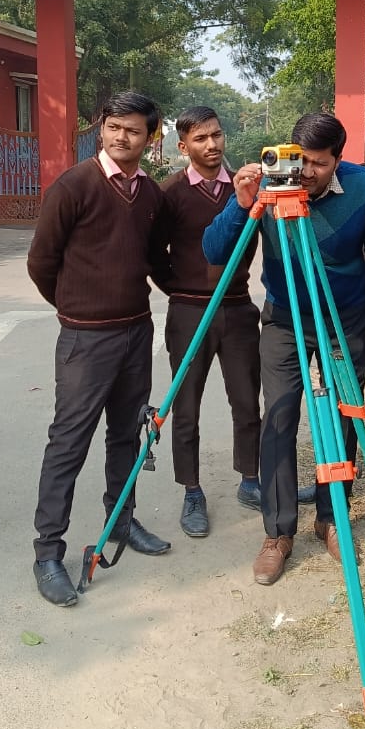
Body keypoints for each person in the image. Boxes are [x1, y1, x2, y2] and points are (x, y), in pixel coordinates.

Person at [203, 112, 365, 586]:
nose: (305, 173)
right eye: (299, 160)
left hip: (343, 318)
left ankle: (332, 517)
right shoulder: (269, 186)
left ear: (339, 160)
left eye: (318, 164)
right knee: (280, 416)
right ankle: (277, 532)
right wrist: (240, 203)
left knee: (343, 418)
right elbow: (214, 250)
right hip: (285, 318)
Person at [27, 91, 172, 607]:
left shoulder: (150, 195)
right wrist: (75, 309)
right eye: (114, 127)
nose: (121, 137)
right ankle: (48, 552)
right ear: (101, 128)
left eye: (133, 130)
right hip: (86, 340)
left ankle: (121, 522)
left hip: (136, 333)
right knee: (68, 442)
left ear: (150, 137)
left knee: (126, 437)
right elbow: (41, 262)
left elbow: (156, 261)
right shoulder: (74, 186)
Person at [159, 107, 261, 538]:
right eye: (200, 139)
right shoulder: (170, 194)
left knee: (246, 401)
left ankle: (250, 478)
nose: (212, 145)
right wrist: (181, 290)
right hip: (188, 312)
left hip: (238, 308)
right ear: (183, 148)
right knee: (187, 408)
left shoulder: (247, 187)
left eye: (217, 135)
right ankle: (192, 489)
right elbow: (153, 254)